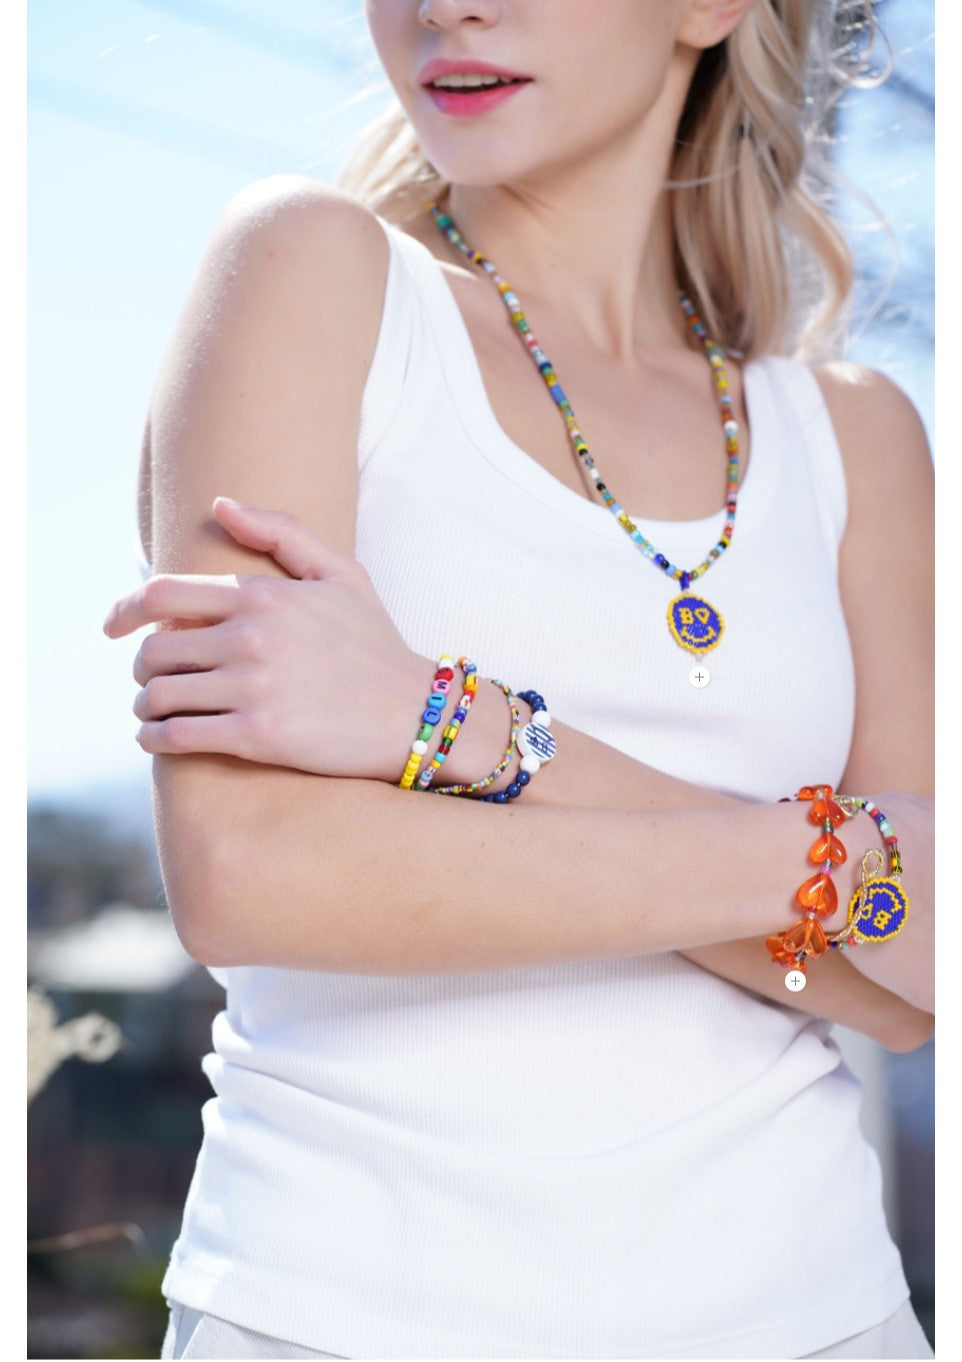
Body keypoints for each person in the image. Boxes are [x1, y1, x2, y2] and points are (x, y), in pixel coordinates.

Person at [104, 1, 935, 1357]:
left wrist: (457, 727)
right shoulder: (309, 272)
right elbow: (254, 872)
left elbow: (919, 973)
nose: (444, 7)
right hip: (340, 1313)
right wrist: (824, 872)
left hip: (816, 1313)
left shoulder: (854, 434)